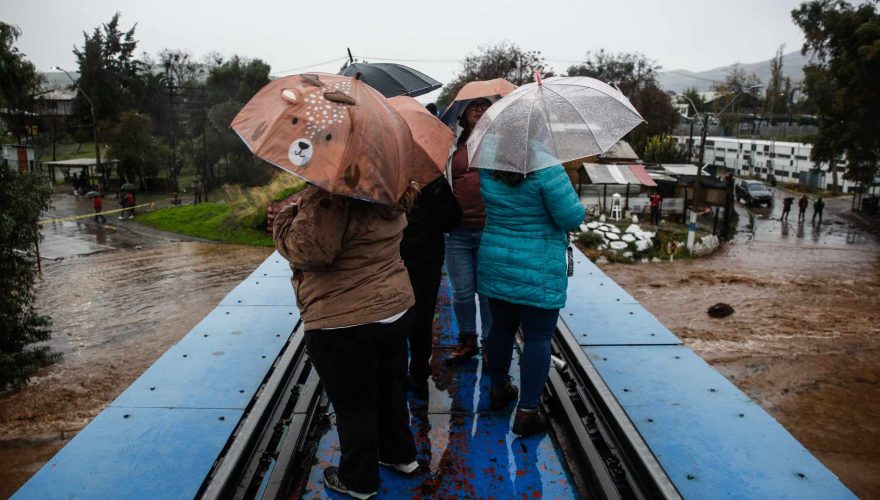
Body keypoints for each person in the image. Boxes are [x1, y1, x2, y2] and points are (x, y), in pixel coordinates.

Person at [273, 184, 419, 499]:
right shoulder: (390, 188)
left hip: (344, 319)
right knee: (390, 386)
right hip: (395, 308)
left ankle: (360, 482)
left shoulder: (330, 196)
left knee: (354, 404)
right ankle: (401, 456)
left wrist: (285, 217)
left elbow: (310, 252)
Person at [479, 164, 585, 437]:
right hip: (539, 268)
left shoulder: (489, 167)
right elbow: (571, 218)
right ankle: (527, 413)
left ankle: (499, 390)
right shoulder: (547, 168)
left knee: (501, 328)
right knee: (538, 338)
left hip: (498, 260)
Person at [401, 175, 461, 399]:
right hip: (426, 259)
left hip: (389, 261)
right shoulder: (430, 176)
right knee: (423, 317)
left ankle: (394, 374)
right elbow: (451, 219)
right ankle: (418, 370)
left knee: (391, 318)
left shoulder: (377, 172)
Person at [444, 97, 494, 365]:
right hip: (457, 231)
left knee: (487, 292)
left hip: (490, 229)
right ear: (463, 113)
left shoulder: (500, 142)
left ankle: (489, 343)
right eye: (474, 105)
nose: (479, 109)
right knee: (461, 291)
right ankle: (467, 341)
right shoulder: (452, 143)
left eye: (485, 105)